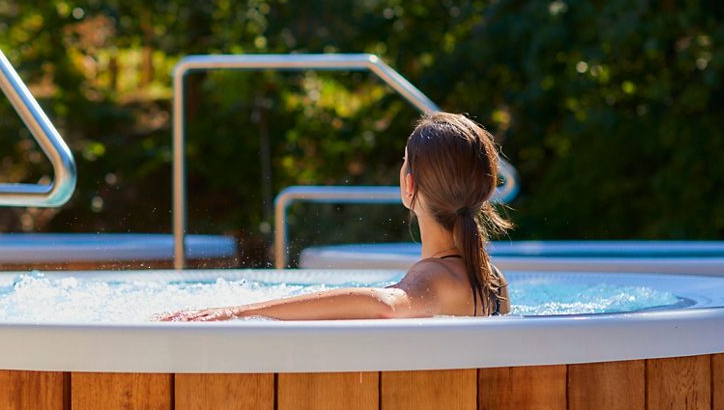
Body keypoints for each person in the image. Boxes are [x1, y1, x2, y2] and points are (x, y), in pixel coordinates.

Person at [159, 112, 512, 321]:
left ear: (410, 186)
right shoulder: (491, 280)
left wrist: (241, 312)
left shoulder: (434, 277)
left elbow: (385, 305)